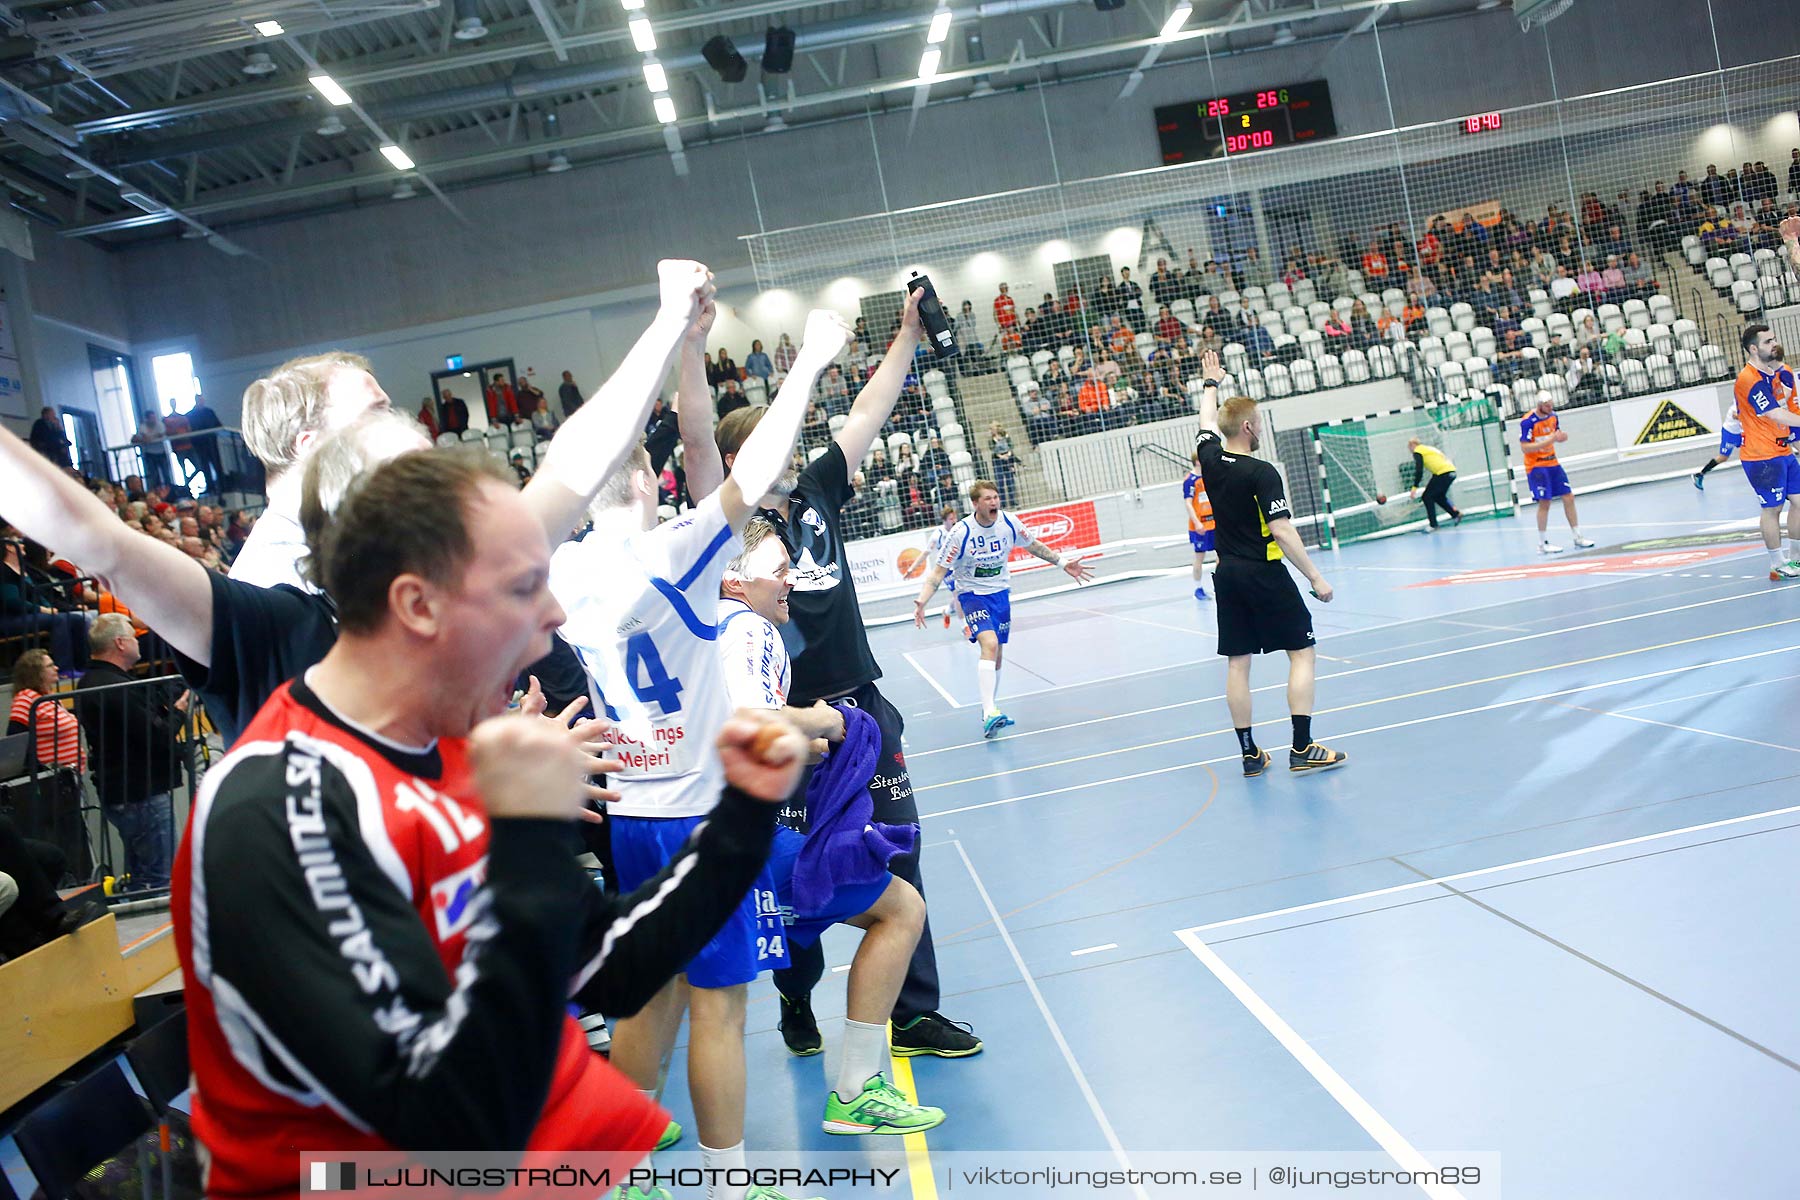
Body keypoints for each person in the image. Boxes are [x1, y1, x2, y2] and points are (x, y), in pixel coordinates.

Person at [172, 445, 810, 1200]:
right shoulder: (281, 804)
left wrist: (742, 812)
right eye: (520, 587)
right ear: (419, 605)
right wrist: (529, 837)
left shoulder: (444, 759)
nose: (554, 618)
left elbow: (610, 963)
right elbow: (448, 1120)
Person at [550, 309, 850, 1199]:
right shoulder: (676, 551)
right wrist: (811, 361)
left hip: (629, 812)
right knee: (720, 1006)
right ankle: (732, 1179)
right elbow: (738, 462)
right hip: (700, 812)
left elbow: (688, 439)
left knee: (650, 992)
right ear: (646, 482)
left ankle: (622, 1162)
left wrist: (684, 343)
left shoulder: (566, 571)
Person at [724, 291, 982, 1061]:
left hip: (862, 710)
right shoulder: (728, 538)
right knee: (798, 875)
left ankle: (911, 1011)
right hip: (792, 732)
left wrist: (905, 335)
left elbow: (866, 413)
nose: (796, 448)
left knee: (901, 853)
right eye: (778, 443)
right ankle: (796, 996)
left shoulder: (815, 497)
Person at [714, 519, 943, 1136]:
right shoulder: (751, 628)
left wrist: (798, 743)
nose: (791, 577)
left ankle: (629, 1146)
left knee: (688, 992)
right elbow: (750, 719)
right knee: (900, 910)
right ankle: (857, 1091)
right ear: (736, 577)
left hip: (684, 827)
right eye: (779, 566)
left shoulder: (705, 625)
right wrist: (823, 720)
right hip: (741, 833)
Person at [1192, 350, 1345, 777]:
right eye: (1257, 424)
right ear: (1247, 428)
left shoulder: (1210, 459)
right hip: (1264, 571)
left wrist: (1211, 383)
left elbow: (1205, 423)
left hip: (1228, 575)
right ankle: (1302, 748)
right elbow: (1282, 530)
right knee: (1302, 653)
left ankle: (1249, 754)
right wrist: (1316, 577)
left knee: (1238, 663)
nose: (1260, 430)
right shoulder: (1261, 472)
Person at [911, 480, 1091, 738]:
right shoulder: (961, 533)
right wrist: (922, 600)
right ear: (975, 504)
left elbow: (1034, 545)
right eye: (987, 499)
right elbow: (937, 573)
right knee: (990, 644)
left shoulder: (1009, 522)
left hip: (1000, 594)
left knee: (997, 654)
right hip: (971, 594)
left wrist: (1063, 563)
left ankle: (989, 710)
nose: (994, 502)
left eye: (996, 497)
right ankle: (989, 712)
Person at [74, 614, 186, 892]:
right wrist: (180, 711)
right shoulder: (118, 687)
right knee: (159, 879)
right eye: (134, 637)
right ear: (121, 643)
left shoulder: (91, 681)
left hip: (124, 789)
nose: (139, 643)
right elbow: (155, 736)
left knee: (142, 873)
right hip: (141, 790)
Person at [1730, 323, 1800, 579]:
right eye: (1768, 341)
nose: (1774, 344)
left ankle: (1796, 559)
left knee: (1799, 502)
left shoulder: (1773, 374)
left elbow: (1786, 410)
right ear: (1753, 348)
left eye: (1774, 339)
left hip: (1782, 451)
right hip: (1762, 456)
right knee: (1772, 509)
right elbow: (1774, 412)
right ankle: (1777, 563)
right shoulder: (1749, 379)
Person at [1517, 397, 1595, 555]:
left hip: (1553, 463)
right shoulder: (1528, 421)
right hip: (1537, 466)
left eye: (1551, 404)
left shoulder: (1553, 416)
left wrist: (1561, 438)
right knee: (1545, 502)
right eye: (1547, 405)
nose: (1550, 407)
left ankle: (1577, 536)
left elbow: (1556, 435)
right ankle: (1542, 543)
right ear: (1539, 405)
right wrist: (1549, 441)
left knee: (1569, 497)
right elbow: (1525, 448)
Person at [7, 648, 84, 772]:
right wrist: (43, 771)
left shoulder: (49, 697)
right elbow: (18, 742)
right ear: (36, 673)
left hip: (69, 776)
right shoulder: (26, 699)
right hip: (50, 780)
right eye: (50, 666)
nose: (57, 668)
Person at [1407, 438, 1462, 530]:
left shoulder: (1418, 451)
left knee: (1427, 497)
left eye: (1409, 447)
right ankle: (1455, 514)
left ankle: (1433, 525)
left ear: (1412, 445)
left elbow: (1419, 470)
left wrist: (1414, 487)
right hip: (1450, 471)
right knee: (1438, 496)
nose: (1409, 450)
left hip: (1442, 473)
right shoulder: (1429, 449)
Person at [924, 504, 964, 628]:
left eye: (955, 518)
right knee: (957, 593)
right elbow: (926, 552)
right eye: (951, 519)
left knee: (963, 593)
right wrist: (911, 568)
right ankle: (964, 626)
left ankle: (947, 610)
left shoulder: (959, 529)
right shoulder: (938, 534)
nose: (954, 521)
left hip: (959, 566)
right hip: (946, 569)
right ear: (945, 521)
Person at [1182, 449, 1214, 600]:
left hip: (1214, 523)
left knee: (1222, 554)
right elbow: (1188, 504)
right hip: (1200, 526)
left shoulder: (1210, 476)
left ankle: (1219, 585)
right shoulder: (1190, 480)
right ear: (1197, 461)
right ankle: (1198, 588)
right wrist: (1197, 523)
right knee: (1199, 558)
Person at [1693, 403, 1742, 490]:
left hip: (1741, 431)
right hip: (1730, 433)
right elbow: (1735, 415)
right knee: (1723, 457)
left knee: (1753, 449)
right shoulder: (1737, 401)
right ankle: (1699, 475)